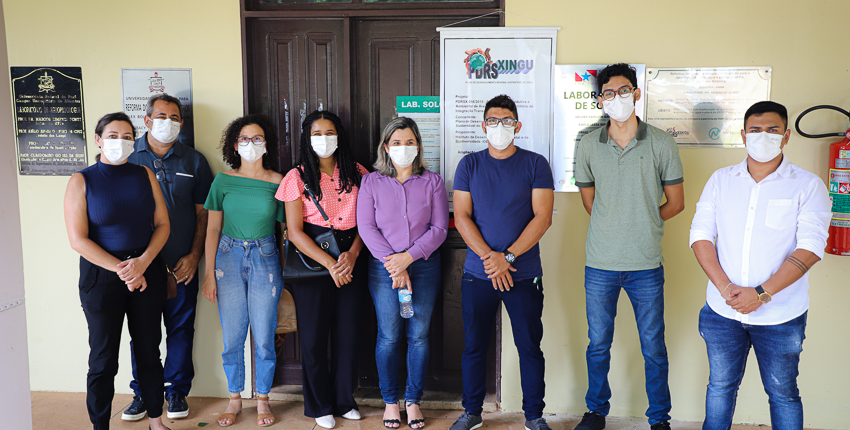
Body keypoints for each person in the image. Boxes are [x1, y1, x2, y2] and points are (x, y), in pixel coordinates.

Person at [689, 101, 831, 429]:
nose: (763, 136)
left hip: (781, 315)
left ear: (786, 136)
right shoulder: (721, 180)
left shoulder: (807, 185)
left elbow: (810, 248)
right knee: (720, 388)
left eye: (772, 130)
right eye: (755, 130)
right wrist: (726, 288)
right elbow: (700, 235)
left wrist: (761, 293)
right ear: (743, 135)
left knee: (783, 394)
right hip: (722, 313)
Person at [573, 63, 684, 430]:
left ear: (636, 93)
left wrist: (643, 222)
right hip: (600, 263)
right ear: (599, 99)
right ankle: (595, 412)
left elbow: (676, 202)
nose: (616, 98)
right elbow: (590, 203)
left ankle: (659, 419)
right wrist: (618, 222)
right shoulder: (588, 143)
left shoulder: (661, 142)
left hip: (645, 264)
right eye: (608, 93)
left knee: (653, 347)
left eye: (623, 91)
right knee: (597, 345)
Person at [449, 94, 555, 430]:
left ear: (517, 126)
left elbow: (543, 217)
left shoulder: (535, 164)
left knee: (529, 346)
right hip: (478, 274)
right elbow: (461, 216)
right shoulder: (469, 165)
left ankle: (534, 416)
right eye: (493, 121)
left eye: (506, 121)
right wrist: (491, 259)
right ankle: (472, 412)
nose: (500, 126)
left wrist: (506, 257)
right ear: (483, 126)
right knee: (474, 346)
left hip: (522, 274)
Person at [63, 112, 171, 430]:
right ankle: (100, 426)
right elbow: (77, 240)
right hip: (101, 276)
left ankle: (156, 421)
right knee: (103, 358)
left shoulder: (144, 174)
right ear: (98, 140)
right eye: (113, 136)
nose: (120, 142)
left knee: (149, 351)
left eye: (127, 137)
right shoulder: (81, 180)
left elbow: (163, 224)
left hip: (146, 270)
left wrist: (142, 263)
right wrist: (124, 270)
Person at [122, 93, 213, 421]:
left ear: (182, 123)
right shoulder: (128, 159)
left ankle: (176, 392)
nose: (168, 123)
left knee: (181, 330)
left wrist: (194, 255)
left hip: (180, 266)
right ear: (146, 120)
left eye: (174, 118)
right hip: (140, 267)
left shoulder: (195, 161)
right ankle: (143, 393)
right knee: (142, 333)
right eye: (161, 116)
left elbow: (204, 214)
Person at [275, 110, 368, 429]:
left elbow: (368, 222)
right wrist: (330, 264)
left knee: (348, 333)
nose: (324, 139)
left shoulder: (358, 172)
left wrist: (352, 255)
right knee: (314, 338)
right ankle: (319, 405)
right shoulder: (295, 177)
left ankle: (344, 400)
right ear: (307, 138)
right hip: (313, 260)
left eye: (330, 133)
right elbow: (294, 231)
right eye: (317, 134)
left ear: (339, 136)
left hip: (352, 256)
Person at [356, 117, 449, 429]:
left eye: (409, 142)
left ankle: (413, 400)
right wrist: (394, 265)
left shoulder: (433, 181)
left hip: (423, 267)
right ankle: (390, 401)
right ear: (386, 147)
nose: (403, 148)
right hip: (384, 270)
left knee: (419, 335)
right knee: (389, 335)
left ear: (418, 146)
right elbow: (366, 227)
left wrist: (407, 259)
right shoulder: (371, 182)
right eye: (396, 143)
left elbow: (439, 229)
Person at [201, 114, 285, 427]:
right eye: (245, 139)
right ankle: (234, 398)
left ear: (267, 144)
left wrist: (284, 271)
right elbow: (212, 229)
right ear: (235, 146)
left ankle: (263, 399)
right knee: (233, 336)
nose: (251, 144)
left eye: (257, 138)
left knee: (263, 336)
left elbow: (285, 230)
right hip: (228, 258)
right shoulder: (222, 181)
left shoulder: (278, 181)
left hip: (265, 257)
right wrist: (209, 273)